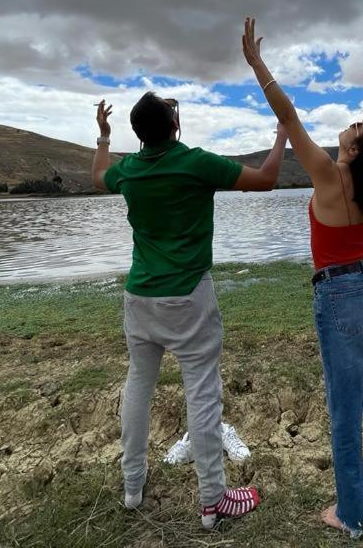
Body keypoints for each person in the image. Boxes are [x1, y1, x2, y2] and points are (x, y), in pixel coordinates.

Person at [241, 17, 363, 538]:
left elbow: (289, 114)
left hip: (341, 295)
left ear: (352, 149)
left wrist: (259, 67)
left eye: (356, 127)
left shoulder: (331, 174)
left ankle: (350, 513)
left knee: (345, 408)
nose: (354, 123)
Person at [92, 91, 287, 529]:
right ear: (175, 126)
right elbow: (268, 178)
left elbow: (98, 175)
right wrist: (282, 135)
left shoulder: (129, 170)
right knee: (202, 391)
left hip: (139, 296)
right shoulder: (195, 162)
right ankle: (213, 500)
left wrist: (104, 138)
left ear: (138, 134)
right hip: (189, 297)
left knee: (139, 384)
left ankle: (132, 487)